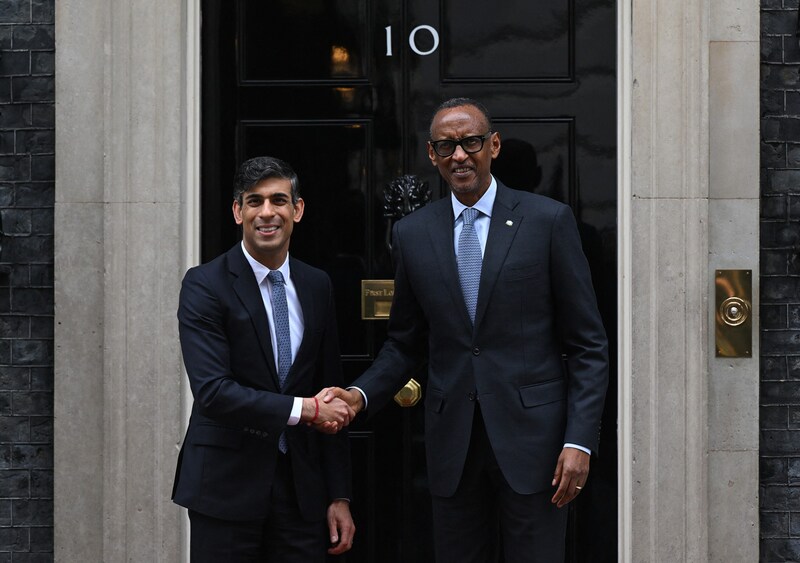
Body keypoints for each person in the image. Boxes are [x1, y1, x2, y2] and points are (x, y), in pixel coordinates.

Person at [325, 98, 608, 562]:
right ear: (432, 155)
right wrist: (359, 396)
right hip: (452, 444)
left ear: (492, 146)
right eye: (446, 146)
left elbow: (588, 345)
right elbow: (404, 343)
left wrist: (579, 441)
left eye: (471, 142)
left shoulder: (547, 221)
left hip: (536, 445)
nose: (460, 155)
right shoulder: (414, 234)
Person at [172, 156, 356, 562]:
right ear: (238, 211)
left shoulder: (316, 284)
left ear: (298, 209)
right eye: (254, 201)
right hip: (225, 488)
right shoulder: (204, 285)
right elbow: (213, 391)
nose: (267, 213)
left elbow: (331, 386)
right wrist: (305, 410)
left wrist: (338, 494)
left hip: (302, 492)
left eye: (278, 200)